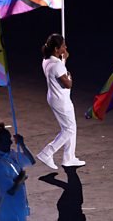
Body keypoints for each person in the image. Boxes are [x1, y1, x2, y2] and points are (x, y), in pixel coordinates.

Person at [36, 33, 85, 169]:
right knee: (68, 129)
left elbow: (58, 71)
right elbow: (68, 84)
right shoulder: (57, 65)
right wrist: (69, 76)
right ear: (57, 49)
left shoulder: (47, 60)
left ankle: (69, 158)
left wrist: (63, 61)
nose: (66, 47)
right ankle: (47, 152)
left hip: (54, 97)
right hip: (61, 100)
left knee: (71, 127)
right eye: (63, 46)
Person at [0, 123, 35, 220]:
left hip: (18, 208)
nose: (10, 142)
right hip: (7, 211)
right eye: (7, 140)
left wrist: (22, 144)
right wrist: (20, 179)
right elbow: (9, 191)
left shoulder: (10, 155)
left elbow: (31, 161)